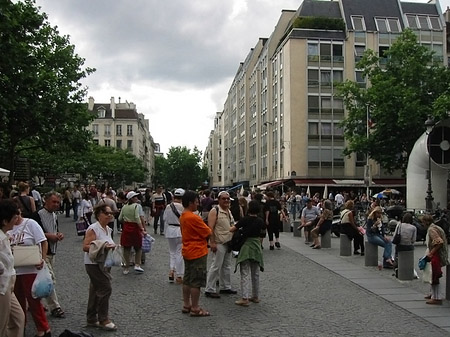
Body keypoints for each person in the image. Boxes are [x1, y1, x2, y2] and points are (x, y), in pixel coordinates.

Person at [8, 201, 51, 337]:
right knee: (17, 302)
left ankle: (43, 329)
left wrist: (42, 259)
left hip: (31, 268)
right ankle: (21, 328)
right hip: (14, 270)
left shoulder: (30, 224)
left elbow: (43, 241)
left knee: (34, 301)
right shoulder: (7, 227)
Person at [83, 204, 117, 330]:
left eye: (110, 213)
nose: (109, 215)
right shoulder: (93, 229)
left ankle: (91, 318)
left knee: (95, 291)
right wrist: (103, 246)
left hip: (104, 263)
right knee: (105, 288)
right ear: (99, 215)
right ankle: (103, 319)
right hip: (94, 264)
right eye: (106, 213)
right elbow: (85, 246)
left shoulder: (108, 229)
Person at [31, 191, 65, 319]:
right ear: (46, 201)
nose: (56, 204)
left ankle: (34, 301)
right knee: (49, 278)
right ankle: (55, 307)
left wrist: (58, 234)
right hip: (42, 252)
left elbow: (54, 229)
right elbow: (34, 234)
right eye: (54, 202)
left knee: (42, 279)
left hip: (52, 251)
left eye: (58, 202)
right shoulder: (36, 215)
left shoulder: (54, 215)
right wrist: (49, 235)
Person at [179, 190, 211, 316]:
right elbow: (207, 232)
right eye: (197, 202)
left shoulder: (183, 216)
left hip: (187, 249)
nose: (198, 204)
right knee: (196, 281)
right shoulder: (194, 217)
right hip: (198, 250)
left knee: (187, 279)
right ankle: (195, 307)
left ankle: (186, 304)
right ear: (191, 203)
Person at [230, 200, 264, 306]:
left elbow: (233, 229)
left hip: (246, 246)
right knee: (256, 273)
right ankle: (255, 296)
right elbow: (263, 234)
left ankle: (245, 298)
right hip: (257, 247)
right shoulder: (260, 221)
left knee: (245, 272)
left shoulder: (245, 220)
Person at [0, 199, 25, 337]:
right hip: (1, 285)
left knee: (18, 318)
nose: (17, 220)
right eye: (14, 217)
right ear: (5, 221)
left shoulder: (5, 236)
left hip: (8, 283)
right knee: (2, 323)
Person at [204, 191, 236, 298]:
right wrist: (212, 242)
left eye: (227, 198)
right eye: (224, 199)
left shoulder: (228, 211)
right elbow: (210, 228)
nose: (226, 200)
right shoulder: (215, 211)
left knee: (226, 266)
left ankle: (225, 286)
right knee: (216, 266)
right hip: (218, 242)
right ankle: (209, 288)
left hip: (228, 242)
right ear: (219, 199)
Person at [422, 214, 449, 305]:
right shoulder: (435, 227)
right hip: (437, 254)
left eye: (423, 222)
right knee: (433, 274)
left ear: (426, 222)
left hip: (436, 255)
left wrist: (431, 252)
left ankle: (436, 297)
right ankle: (433, 294)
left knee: (434, 275)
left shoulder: (431, 230)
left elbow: (439, 242)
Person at [118, 191, 146, 274]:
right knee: (138, 247)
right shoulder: (136, 206)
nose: (137, 198)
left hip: (126, 228)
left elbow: (120, 218)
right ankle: (137, 264)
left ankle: (126, 267)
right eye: (135, 197)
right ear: (132, 199)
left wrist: (126, 221)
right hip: (135, 228)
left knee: (126, 248)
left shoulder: (124, 207)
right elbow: (137, 218)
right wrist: (142, 228)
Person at [163, 189, 185, 284]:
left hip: (170, 230)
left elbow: (164, 218)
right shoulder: (183, 207)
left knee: (172, 252)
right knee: (179, 253)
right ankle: (179, 275)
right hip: (179, 231)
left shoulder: (168, 206)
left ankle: (171, 270)